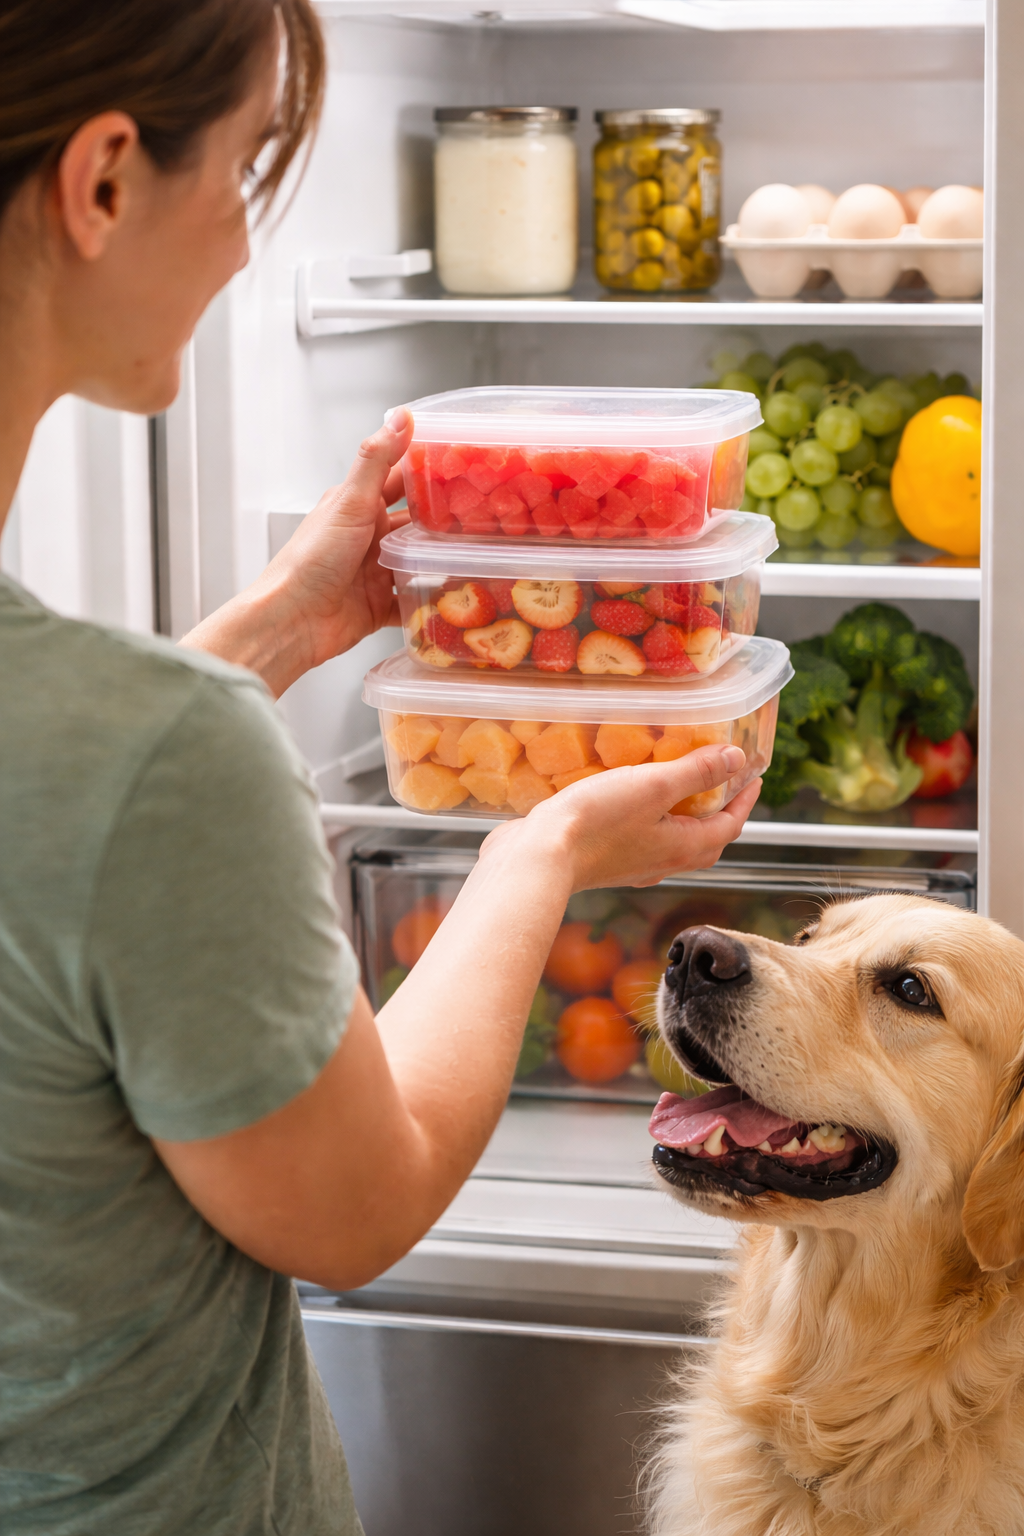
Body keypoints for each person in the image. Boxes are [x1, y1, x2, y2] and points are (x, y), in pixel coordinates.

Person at [0, 3, 762, 1533]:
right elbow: (359, 1208)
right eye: (241, 174)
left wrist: (280, 630)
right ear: (100, 183)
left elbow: (64, 803)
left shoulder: (107, 745)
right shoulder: (154, 756)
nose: (237, 249)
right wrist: (534, 853)